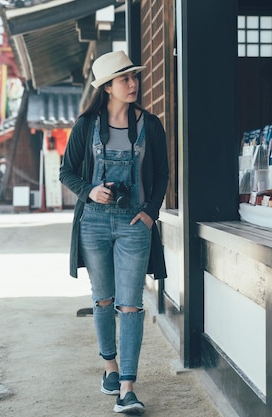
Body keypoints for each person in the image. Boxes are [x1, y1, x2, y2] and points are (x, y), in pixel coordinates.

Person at [59, 50, 169, 415]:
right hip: (93, 221)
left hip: (134, 224)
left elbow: (163, 175)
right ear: (107, 87)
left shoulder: (150, 125)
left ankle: (127, 388)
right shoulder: (86, 125)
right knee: (103, 298)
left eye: (134, 77)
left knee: (131, 304)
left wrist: (151, 213)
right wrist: (89, 190)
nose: (133, 84)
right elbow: (67, 171)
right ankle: (110, 366)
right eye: (124, 79)